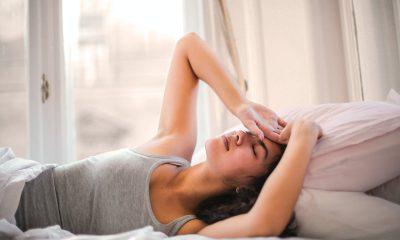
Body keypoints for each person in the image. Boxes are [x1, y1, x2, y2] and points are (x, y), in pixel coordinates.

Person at [14, 32, 322, 238]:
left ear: (245, 189)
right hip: (13, 183)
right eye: (251, 131)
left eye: (256, 150)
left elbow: (266, 221)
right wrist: (240, 104)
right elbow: (188, 47)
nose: (244, 135)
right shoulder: (172, 146)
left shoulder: (187, 229)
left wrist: (304, 135)